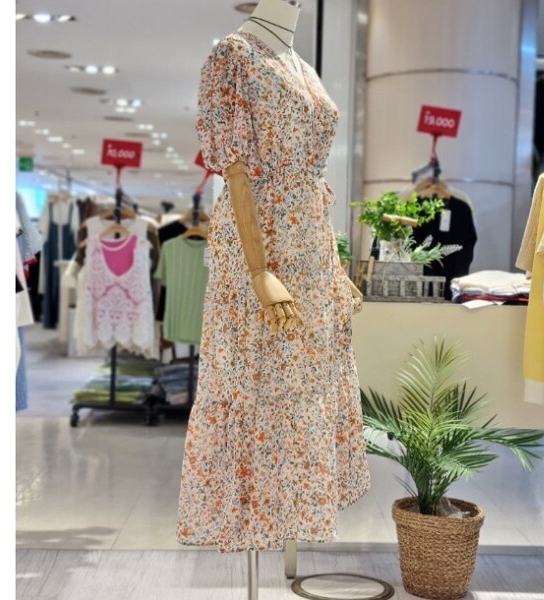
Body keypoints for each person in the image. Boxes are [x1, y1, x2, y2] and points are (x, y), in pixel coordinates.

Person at [177, 0, 370, 553]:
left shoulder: (301, 65)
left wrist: (333, 268)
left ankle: (291, 509)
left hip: (309, 247)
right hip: (260, 239)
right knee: (255, 381)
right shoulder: (234, 54)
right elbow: (236, 172)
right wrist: (259, 270)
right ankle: (251, 518)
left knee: (303, 387)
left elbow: (315, 188)